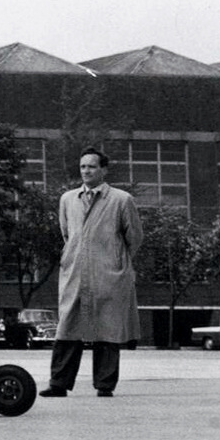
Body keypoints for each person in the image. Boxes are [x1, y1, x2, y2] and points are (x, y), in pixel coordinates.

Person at [41, 148, 143, 398]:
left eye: (92, 167)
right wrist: (72, 256)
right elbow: (67, 233)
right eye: (83, 167)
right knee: (68, 327)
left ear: (104, 170)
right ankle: (58, 384)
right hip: (75, 272)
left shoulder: (121, 200)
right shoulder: (68, 199)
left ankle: (104, 385)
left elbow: (135, 237)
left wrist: (116, 260)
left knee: (107, 331)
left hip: (109, 274)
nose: (86, 171)